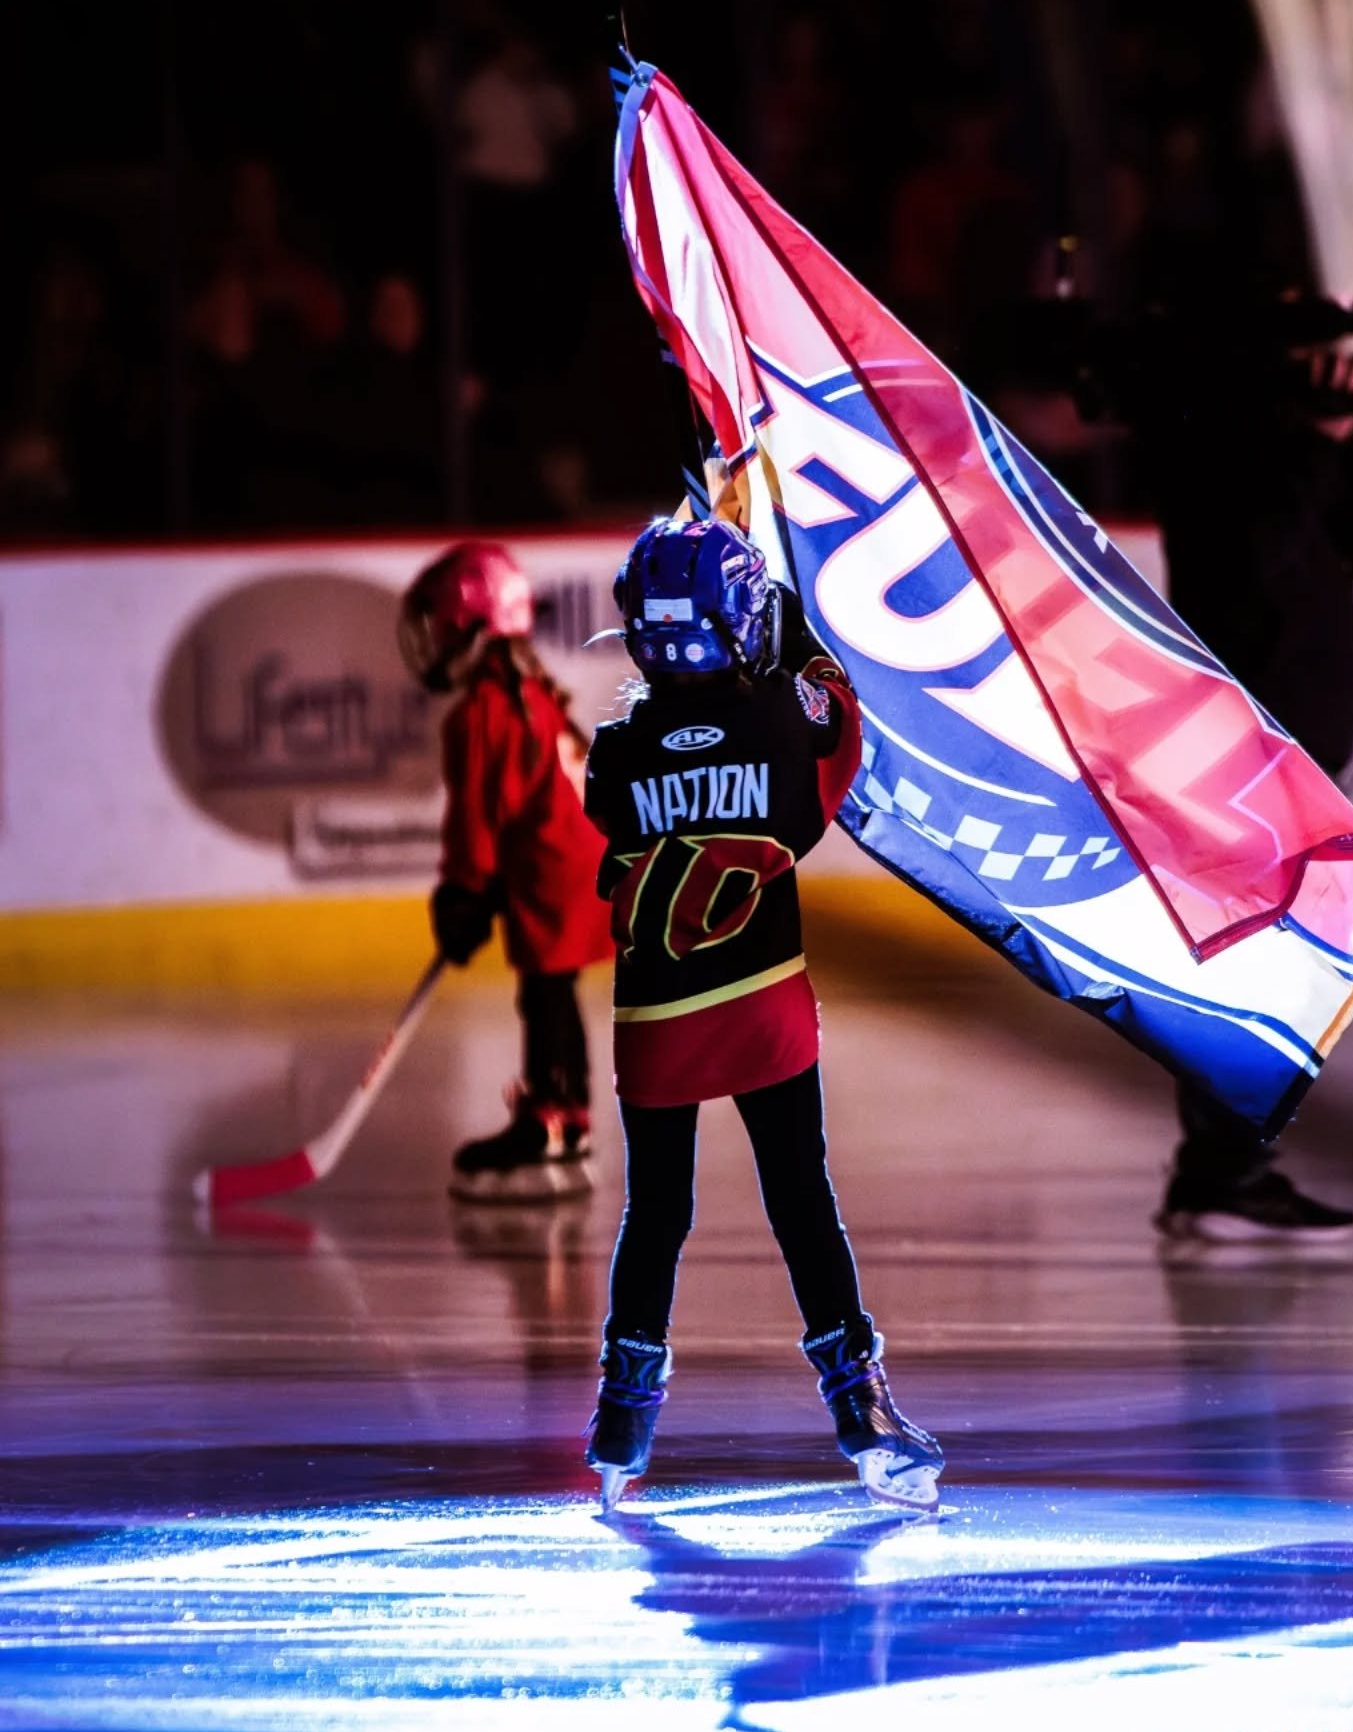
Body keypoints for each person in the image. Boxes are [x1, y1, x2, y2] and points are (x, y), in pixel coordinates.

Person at [579, 516, 944, 1512]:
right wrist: (788, 612)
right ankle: (861, 1408)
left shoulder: (615, 751)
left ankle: (621, 1418)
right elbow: (840, 711)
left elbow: (619, 809)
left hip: (655, 1019)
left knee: (656, 1212)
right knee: (799, 1198)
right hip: (762, 1005)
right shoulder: (786, 724)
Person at [1144, 323, 1353, 1243]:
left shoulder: (1297, 453)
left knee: (1282, 968)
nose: (1335, 372)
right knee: (1251, 967)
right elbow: (1257, 562)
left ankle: (1226, 1171)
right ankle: (1221, 1176)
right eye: (1316, 352)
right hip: (1241, 762)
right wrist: (1317, 445)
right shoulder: (1216, 451)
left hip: (1300, 761)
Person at [398, 541, 613, 1202]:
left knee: (544, 994)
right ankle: (568, 1118)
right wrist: (482, 886)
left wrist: (464, 892)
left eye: (442, 625)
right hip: (579, 859)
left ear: (472, 626)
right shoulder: (529, 693)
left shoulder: (481, 714)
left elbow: (475, 819)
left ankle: (549, 1120)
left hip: (551, 867)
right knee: (553, 990)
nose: (435, 640)